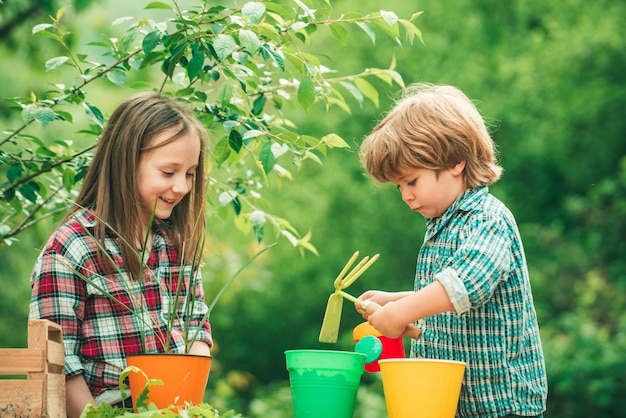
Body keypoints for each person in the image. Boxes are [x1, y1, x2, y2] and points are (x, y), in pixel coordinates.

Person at [356, 83, 547, 417]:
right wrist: (397, 301)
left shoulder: (487, 220)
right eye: (399, 186)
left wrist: (401, 314)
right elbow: (448, 301)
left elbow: (465, 285)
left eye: (412, 181)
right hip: (449, 403)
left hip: (501, 404)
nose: (405, 196)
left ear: (456, 162)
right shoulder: (443, 225)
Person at [29, 92, 213, 418]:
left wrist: (185, 406)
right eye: (169, 173)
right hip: (103, 409)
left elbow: (197, 329)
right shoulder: (71, 249)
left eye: (190, 173)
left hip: (176, 408)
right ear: (126, 164)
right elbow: (60, 364)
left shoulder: (177, 243)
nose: (183, 187)